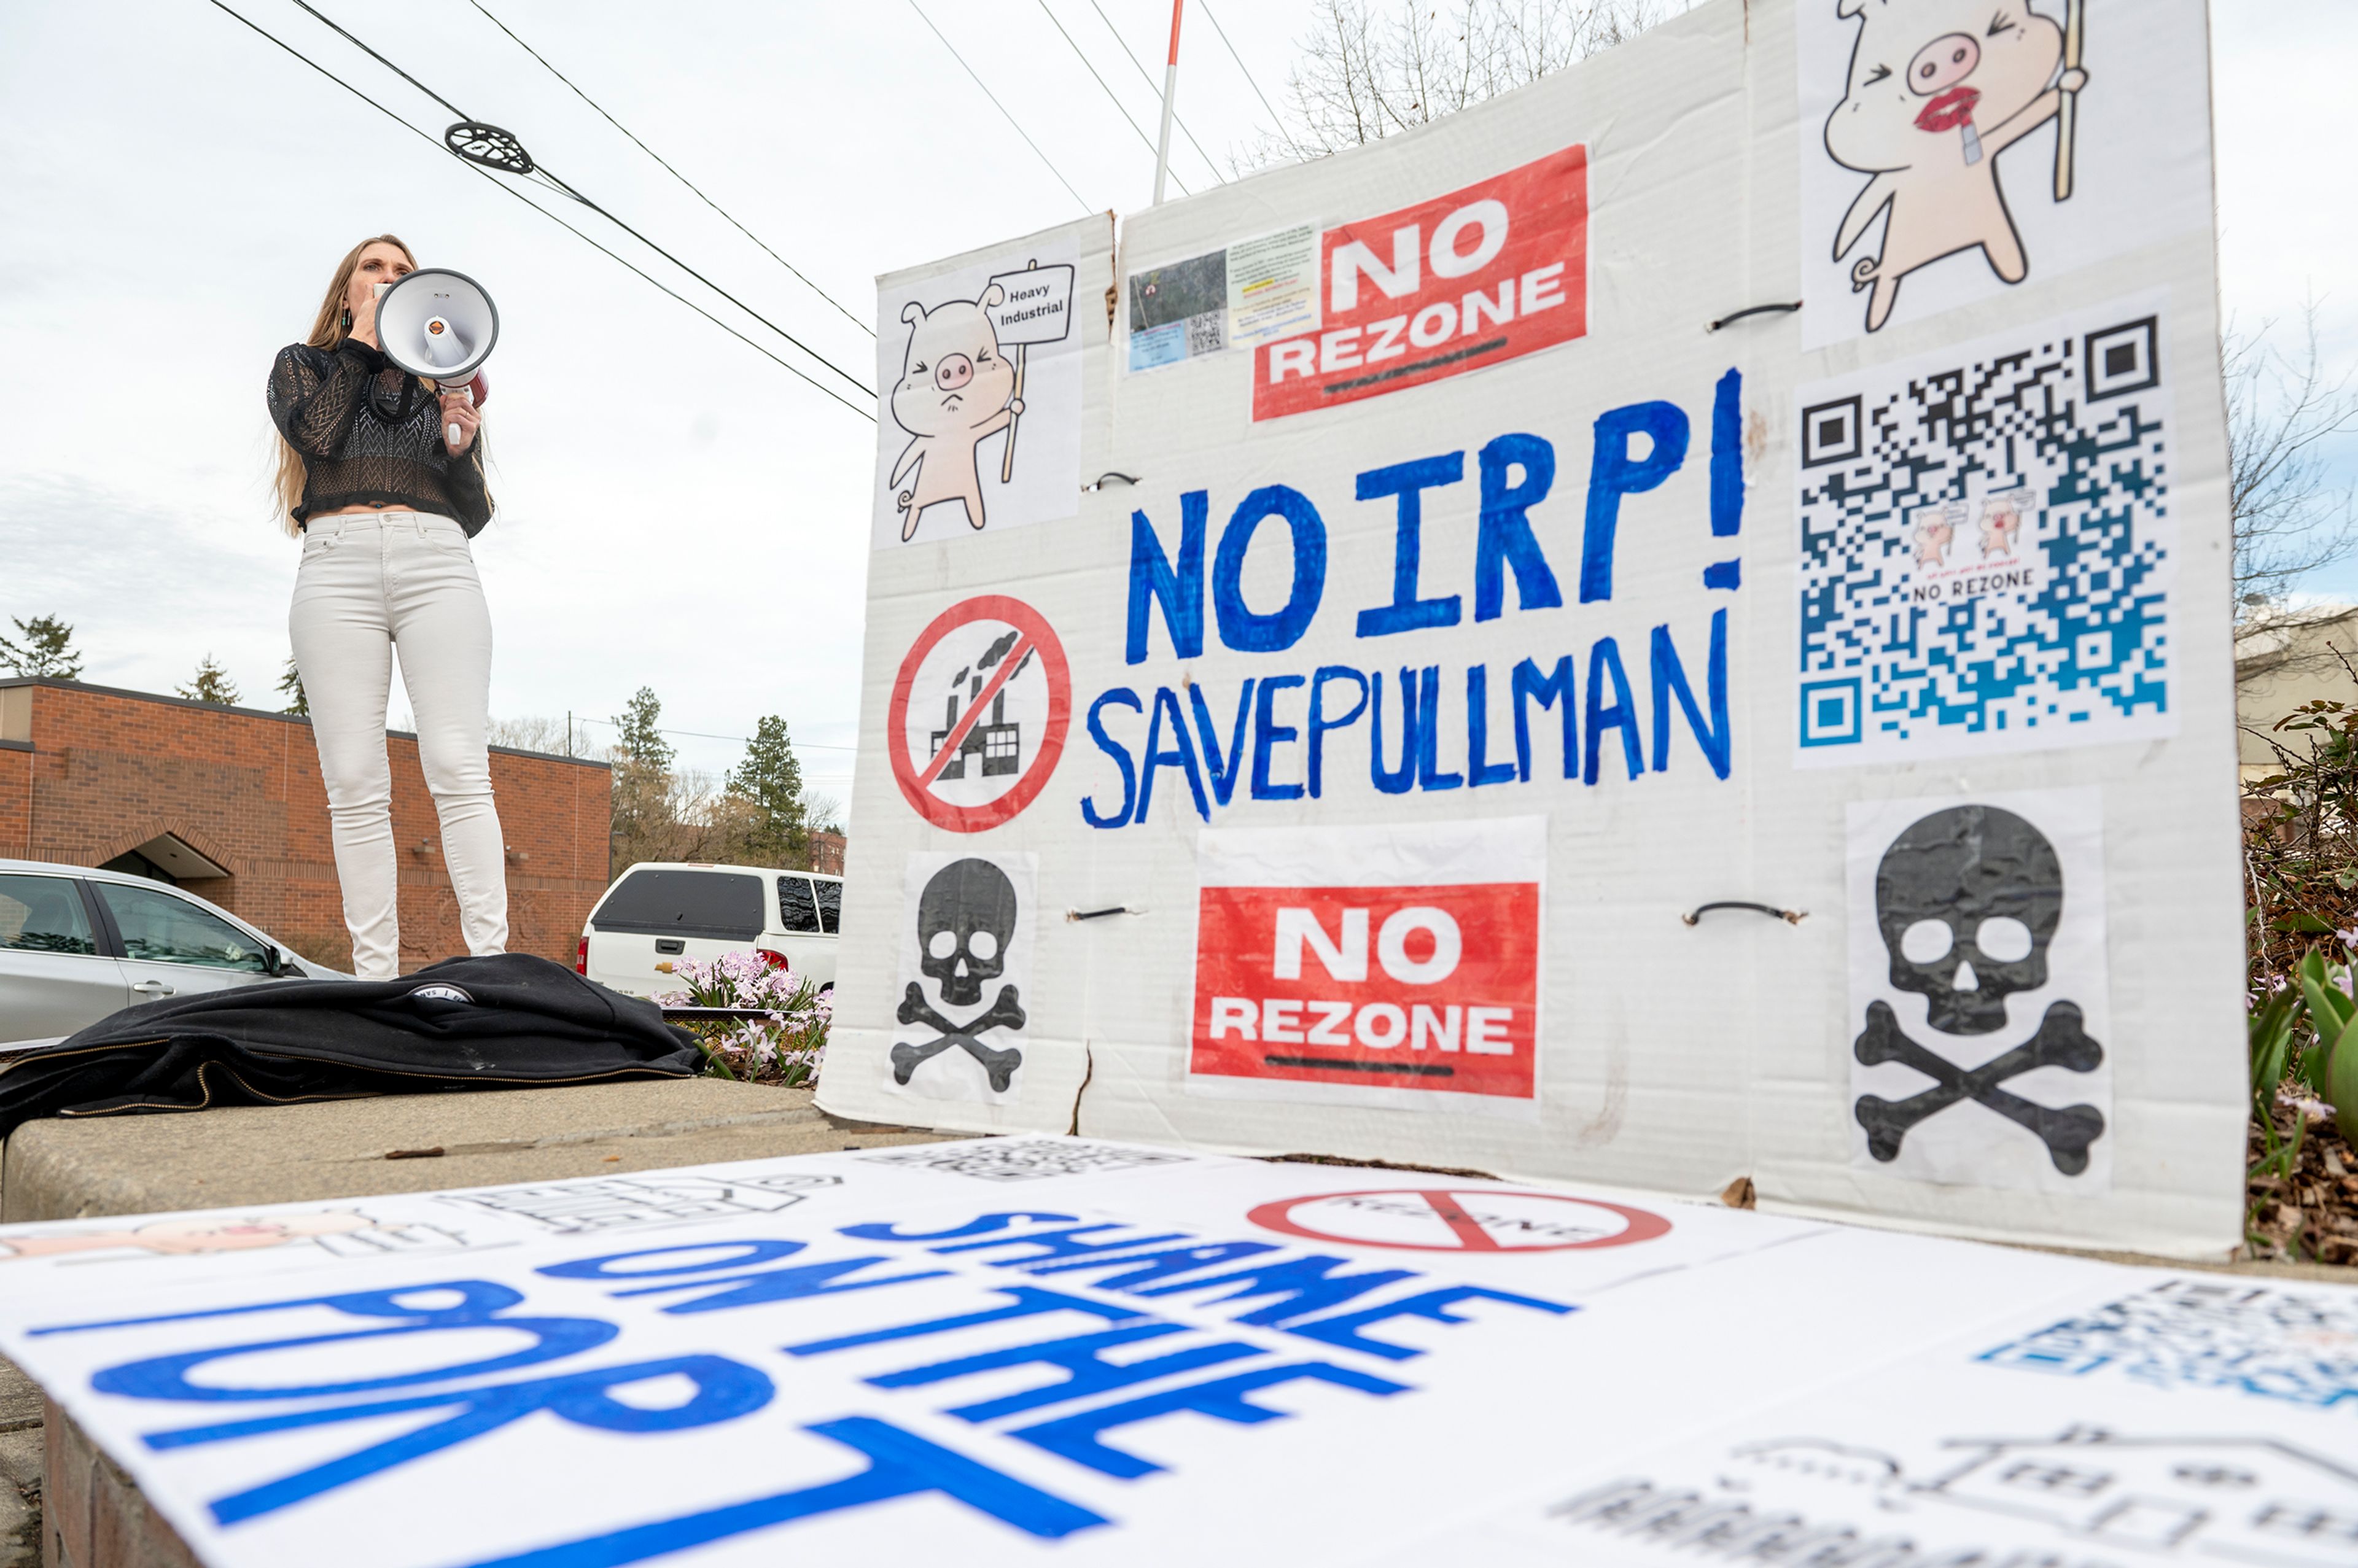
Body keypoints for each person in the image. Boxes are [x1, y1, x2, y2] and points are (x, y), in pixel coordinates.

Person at [267, 234, 505, 979]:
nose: (391, 278)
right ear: (348, 290)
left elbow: (472, 512)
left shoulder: (444, 380)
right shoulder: (303, 366)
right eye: (375, 268)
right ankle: (376, 977)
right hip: (336, 566)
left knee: (459, 763)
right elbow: (318, 435)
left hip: (436, 561)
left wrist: (461, 447)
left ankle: (491, 966)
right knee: (355, 780)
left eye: (404, 271)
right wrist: (365, 346)